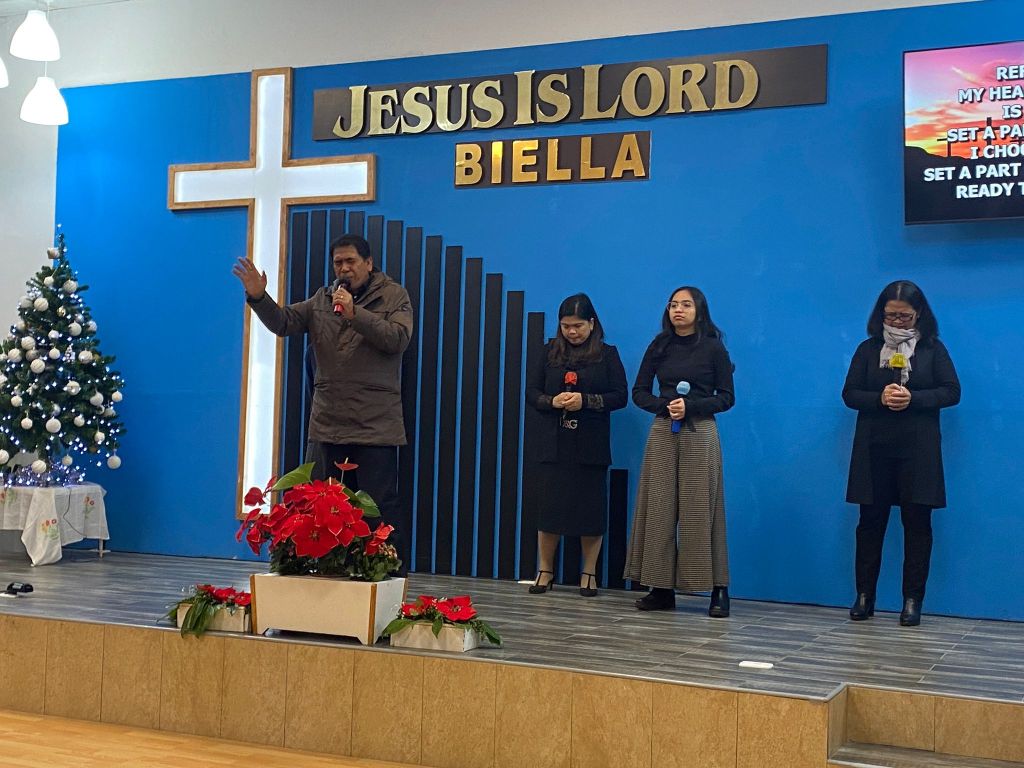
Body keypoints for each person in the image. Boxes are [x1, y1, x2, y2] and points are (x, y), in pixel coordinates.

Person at [232, 233, 413, 568]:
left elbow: (398, 339)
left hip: (375, 425)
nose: (344, 269)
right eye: (338, 262)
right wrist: (258, 297)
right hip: (329, 423)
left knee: (379, 508)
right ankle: (329, 575)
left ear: (369, 263)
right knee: (324, 507)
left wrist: (354, 313)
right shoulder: (322, 299)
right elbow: (284, 322)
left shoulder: (394, 295)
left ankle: (386, 578)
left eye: (351, 261)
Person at [842, 280, 960, 627]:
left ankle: (912, 600)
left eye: (904, 316)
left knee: (918, 525)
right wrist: (879, 398)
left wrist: (914, 398)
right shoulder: (868, 349)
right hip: (874, 448)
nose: (896, 321)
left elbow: (951, 392)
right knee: (869, 524)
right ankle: (865, 596)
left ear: (919, 314)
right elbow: (850, 394)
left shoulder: (933, 349)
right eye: (890, 315)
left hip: (919, 450)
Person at [624, 286, 735, 616]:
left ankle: (718, 588)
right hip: (663, 430)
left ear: (699, 311)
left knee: (702, 509)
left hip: (700, 431)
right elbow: (639, 392)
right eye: (673, 305)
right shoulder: (659, 346)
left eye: (686, 305)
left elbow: (726, 397)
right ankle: (660, 588)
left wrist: (691, 407)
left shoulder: (713, 348)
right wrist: (665, 406)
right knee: (658, 507)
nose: (678, 310)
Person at [524, 294, 628, 597]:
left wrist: (587, 401)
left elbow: (620, 396)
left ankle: (589, 573)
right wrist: (551, 401)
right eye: (566, 326)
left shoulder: (607, 355)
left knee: (590, 510)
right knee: (549, 509)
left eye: (578, 326)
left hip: (591, 444)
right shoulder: (548, 352)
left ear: (592, 323)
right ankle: (545, 570)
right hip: (553, 442)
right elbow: (531, 392)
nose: (572, 332)